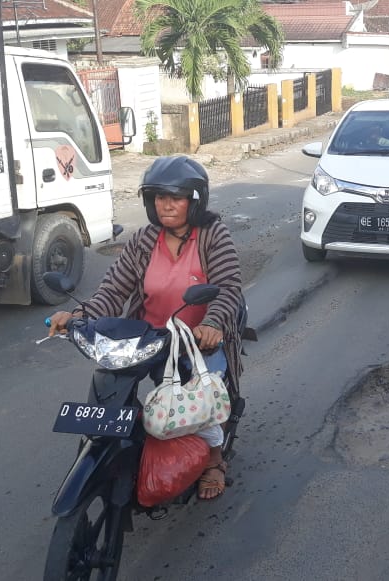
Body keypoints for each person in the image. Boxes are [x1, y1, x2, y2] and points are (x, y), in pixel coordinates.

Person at [47, 156, 244, 500]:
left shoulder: (212, 235)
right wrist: (79, 316)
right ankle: (115, 448)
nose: (166, 205)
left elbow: (228, 287)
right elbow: (113, 290)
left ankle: (214, 460)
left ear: (195, 200)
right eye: (158, 197)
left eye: (176, 197)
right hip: (148, 339)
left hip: (198, 342)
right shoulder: (142, 241)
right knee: (113, 386)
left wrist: (212, 324)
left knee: (204, 397)